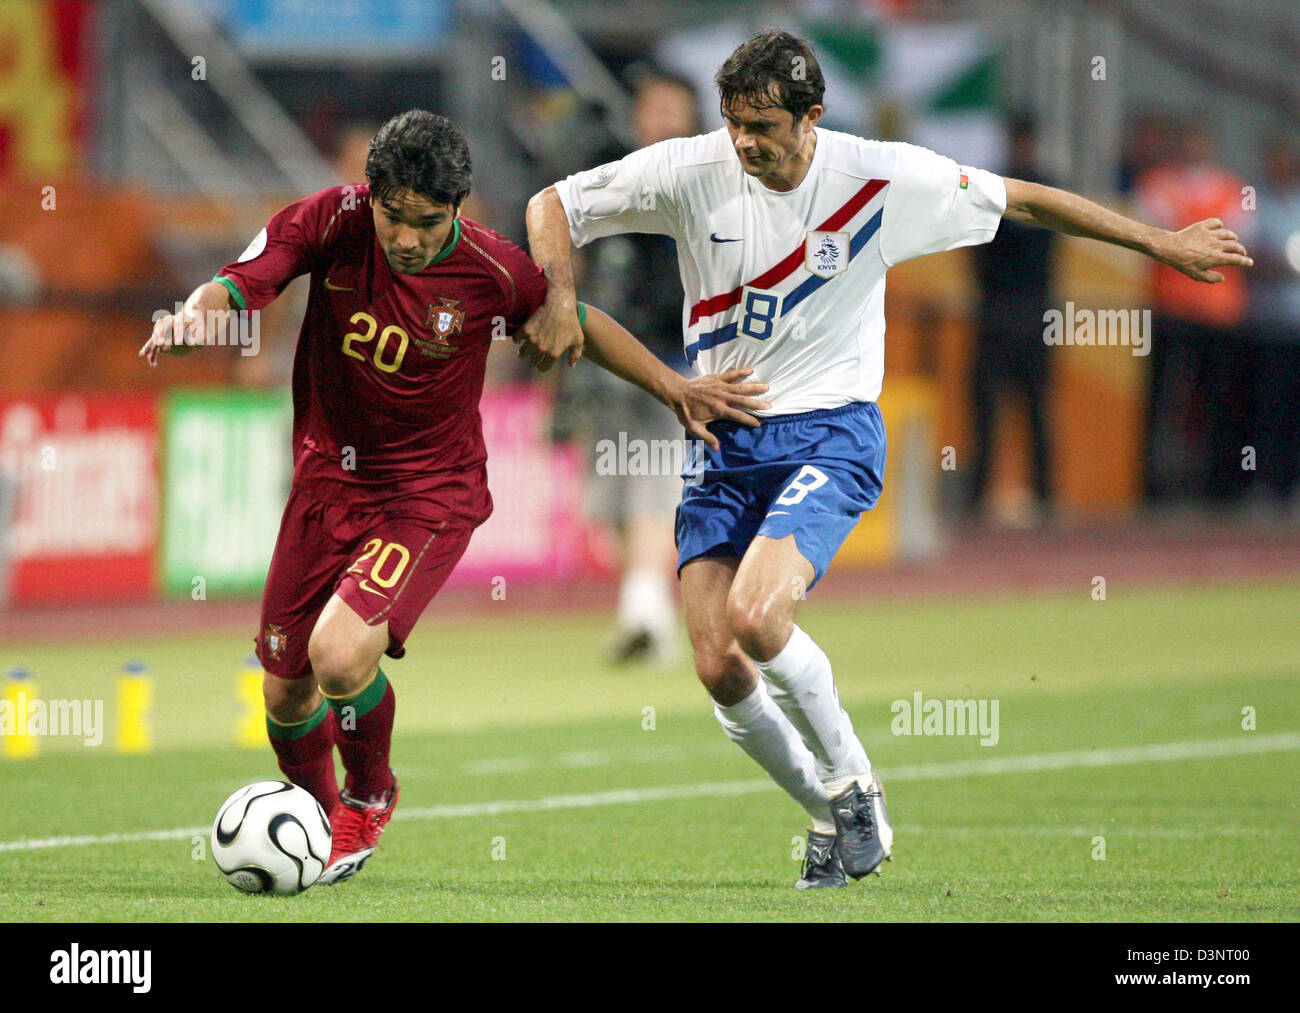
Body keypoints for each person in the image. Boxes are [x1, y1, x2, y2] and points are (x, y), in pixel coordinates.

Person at [518, 30, 1252, 889]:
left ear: (812, 118)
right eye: (733, 122)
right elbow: (550, 205)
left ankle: (856, 787)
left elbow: (1026, 201)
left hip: (831, 430)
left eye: (762, 124)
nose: (744, 141)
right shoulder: (692, 167)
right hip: (724, 438)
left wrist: (1161, 244)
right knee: (718, 661)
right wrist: (561, 297)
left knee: (759, 617)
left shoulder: (882, 177)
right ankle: (834, 814)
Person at [140, 110, 767, 885]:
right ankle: (310, 814)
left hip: (428, 495)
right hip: (324, 482)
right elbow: (244, 279)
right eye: (391, 215)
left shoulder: (492, 270)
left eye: (426, 222)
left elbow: (581, 322)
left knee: (339, 654)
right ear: (370, 195)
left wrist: (674, 387)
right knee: (284, 685)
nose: (404, 237)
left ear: (459, 209)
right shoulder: (330, 222)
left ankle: (369, 795)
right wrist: (193, 316)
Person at [560, 67, 702, 664]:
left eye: (673, 109)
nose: (662, 121)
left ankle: (644, 611)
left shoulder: (710, 184)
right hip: (605, 364)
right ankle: (648, 615)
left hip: (671, 365)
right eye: (653, 108)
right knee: (608, 500)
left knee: (653, 488)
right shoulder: (615, 175)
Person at [966, 113, 1056, 522]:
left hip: (1018, 312)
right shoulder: (1039, 191)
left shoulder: (1001, 190)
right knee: (989, 410)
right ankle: (980, 496)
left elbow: (976, 251)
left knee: (1035, 409)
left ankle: (1045, 495)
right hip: (1009, 312)